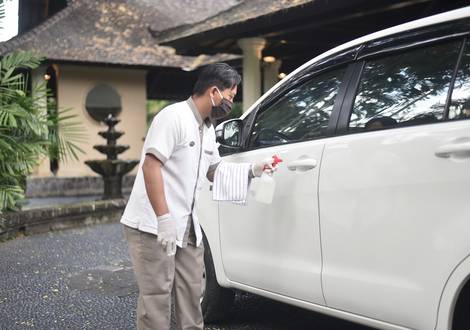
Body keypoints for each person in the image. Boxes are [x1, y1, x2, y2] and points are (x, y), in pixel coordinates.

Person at [120, 63, 275, 330]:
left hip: (187, 225)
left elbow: (214, 170)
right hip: (153, 224)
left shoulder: (207, 129)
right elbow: (151, 165)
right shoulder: (174, 117)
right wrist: (164, 218)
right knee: (157, 298)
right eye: (230, 96)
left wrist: (253, 170)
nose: (231, 103)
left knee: (191, 296)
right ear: (214, 92)